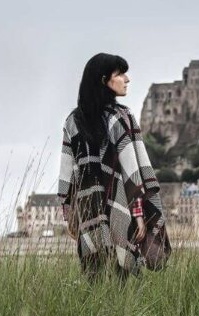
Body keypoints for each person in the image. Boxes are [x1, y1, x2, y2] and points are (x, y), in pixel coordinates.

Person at [58, 52, 168, 282]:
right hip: (121, 207)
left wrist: (70, 214)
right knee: (123, 277)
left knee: (94, 275)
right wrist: (139, 215)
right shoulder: (120, 117)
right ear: (103, 80)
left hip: (88, 208)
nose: (127, 79)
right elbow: (132, 170)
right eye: (120, 74)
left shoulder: (72, 121)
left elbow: (66, 175)